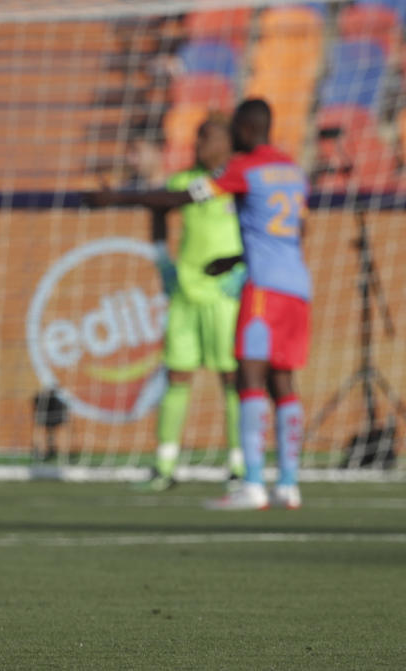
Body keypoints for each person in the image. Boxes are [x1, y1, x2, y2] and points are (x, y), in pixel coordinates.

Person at [86, 99, 310, 510]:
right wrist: (240, 257)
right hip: (297, 287)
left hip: (259, 291)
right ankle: (289, 484)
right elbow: (300, 227)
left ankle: (252, 481)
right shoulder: (292, 170)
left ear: (242, 130)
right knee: (284, 383)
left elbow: (186, 197)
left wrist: (117, 195)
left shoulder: (243, 168)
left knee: (247, 379)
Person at [134, 116, 245, 491]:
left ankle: (239, 463)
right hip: (185, 292)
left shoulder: (238, 182)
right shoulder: (183, 182)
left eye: (207, 138)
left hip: (225, 296)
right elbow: (158, 208)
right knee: (176, 376)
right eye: (197, 138)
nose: (199, 146)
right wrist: (162, 257)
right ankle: (165, 465)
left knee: (233, 378)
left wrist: (244, 268)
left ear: (228, 142)